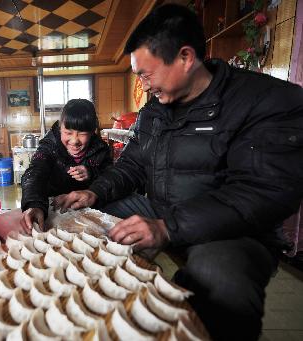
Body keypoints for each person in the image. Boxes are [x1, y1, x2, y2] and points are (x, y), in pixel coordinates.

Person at [54, 4, 303, 340]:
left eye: (145, 73)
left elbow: (260, 193)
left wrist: (167, 227)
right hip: (163, 209)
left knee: (221, 279)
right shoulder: (156, 109)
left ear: (185, 57)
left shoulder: (267, 101)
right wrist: (94, 191)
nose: (142, 84)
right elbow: (131, 165)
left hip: (235, 230)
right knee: (84, 216)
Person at [0, 99, 112, 237]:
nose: (74, 141)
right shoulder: (50, 145)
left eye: (82, 134)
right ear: (60, 127)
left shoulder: (101, 149)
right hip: (53, 206)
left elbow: (110, 178)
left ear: (92, 132)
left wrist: (91, 172)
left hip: (87, 208)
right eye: (68, 133)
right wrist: (34, 204)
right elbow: (35, 172)